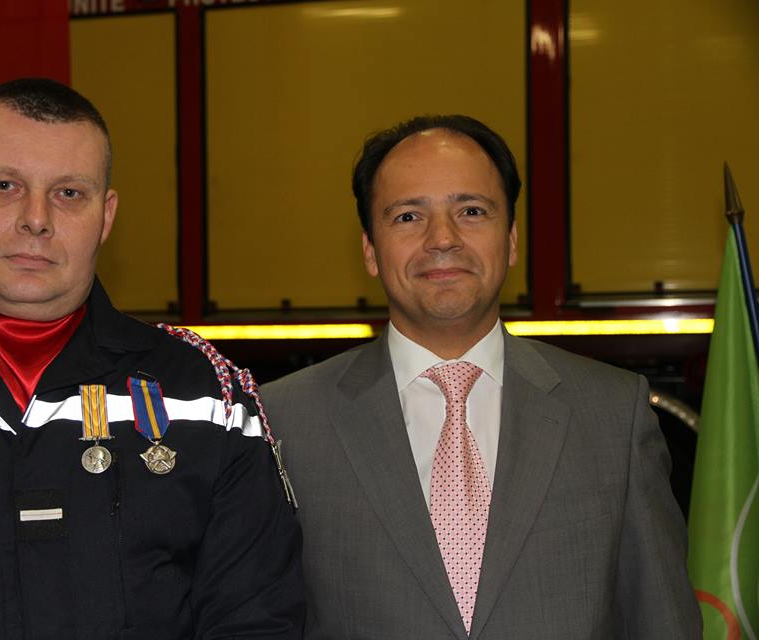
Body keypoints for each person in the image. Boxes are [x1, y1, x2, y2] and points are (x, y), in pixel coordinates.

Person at [0, 78, 304, 639]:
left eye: (68, 193)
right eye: (4, 185)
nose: (35, 219)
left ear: (106, 215)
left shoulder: (207, 401)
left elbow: (257, 621)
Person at [262, 115, 701, 639]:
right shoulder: (284, 421)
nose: (441, 239)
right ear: (370, 251)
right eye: (407, 217)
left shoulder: (613, 414)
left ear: (511, 240)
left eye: (471, 211)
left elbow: (662, 622)